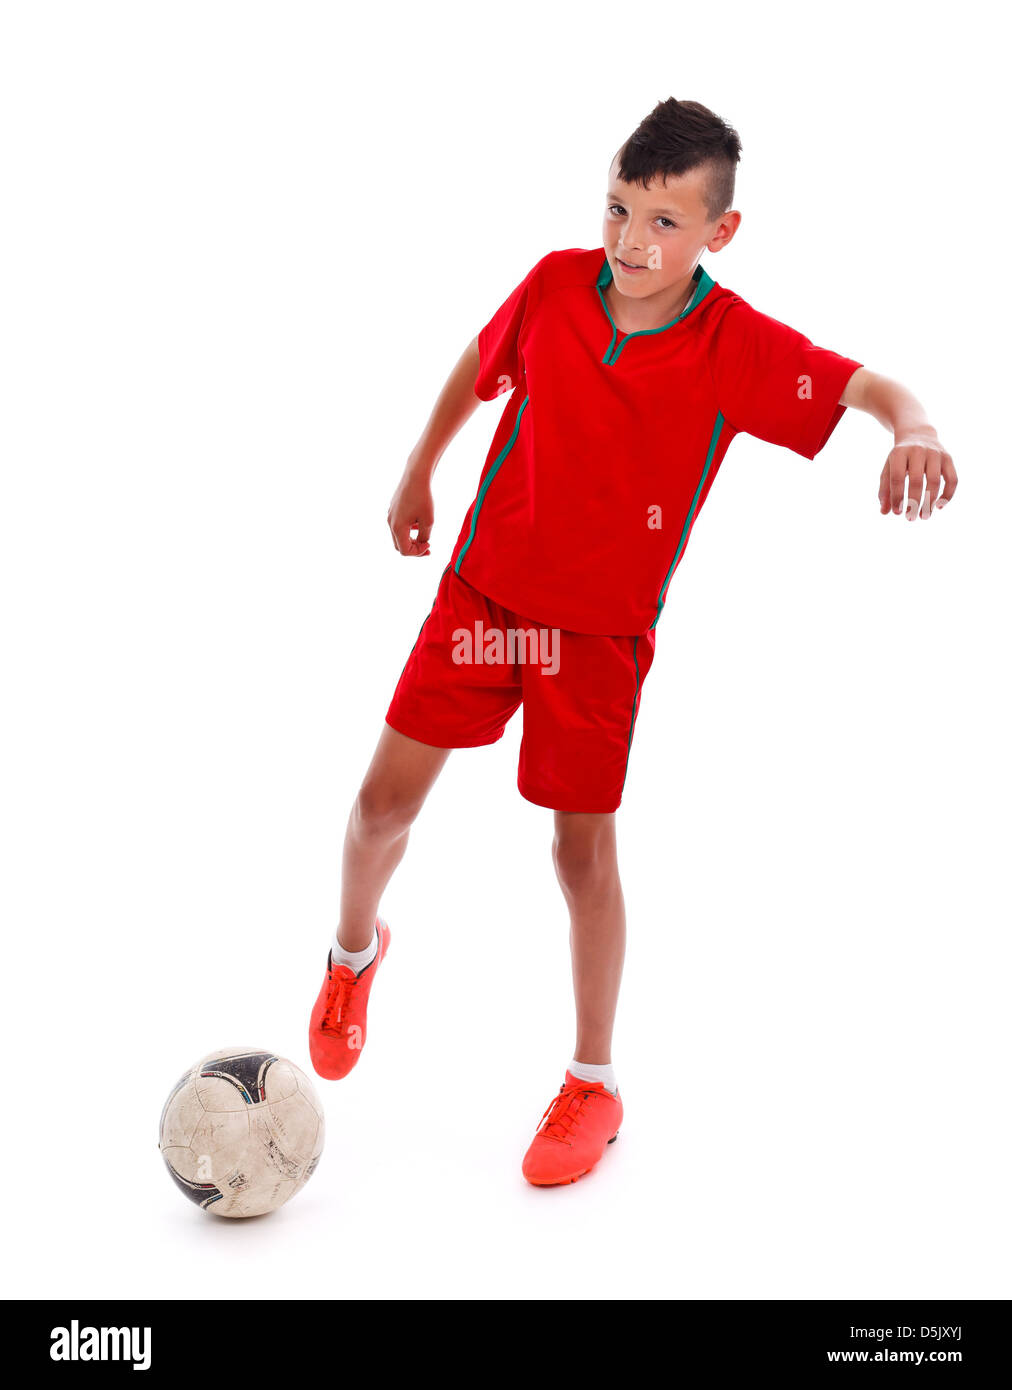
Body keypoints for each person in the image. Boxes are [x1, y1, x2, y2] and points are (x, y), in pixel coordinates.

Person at [308, 97, 958, 1187]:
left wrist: (916, 428)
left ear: (718, 233)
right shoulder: (559, 284)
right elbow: (480, 361)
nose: (628, 242)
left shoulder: (732, 344)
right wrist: (418, 468)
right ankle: (350, 956)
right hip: (482, 606)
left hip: (595, 642)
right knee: (381, 805)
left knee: (578, 854)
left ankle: (592, 1081)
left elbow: (862, 385)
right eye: (617, 207)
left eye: (663, 221)